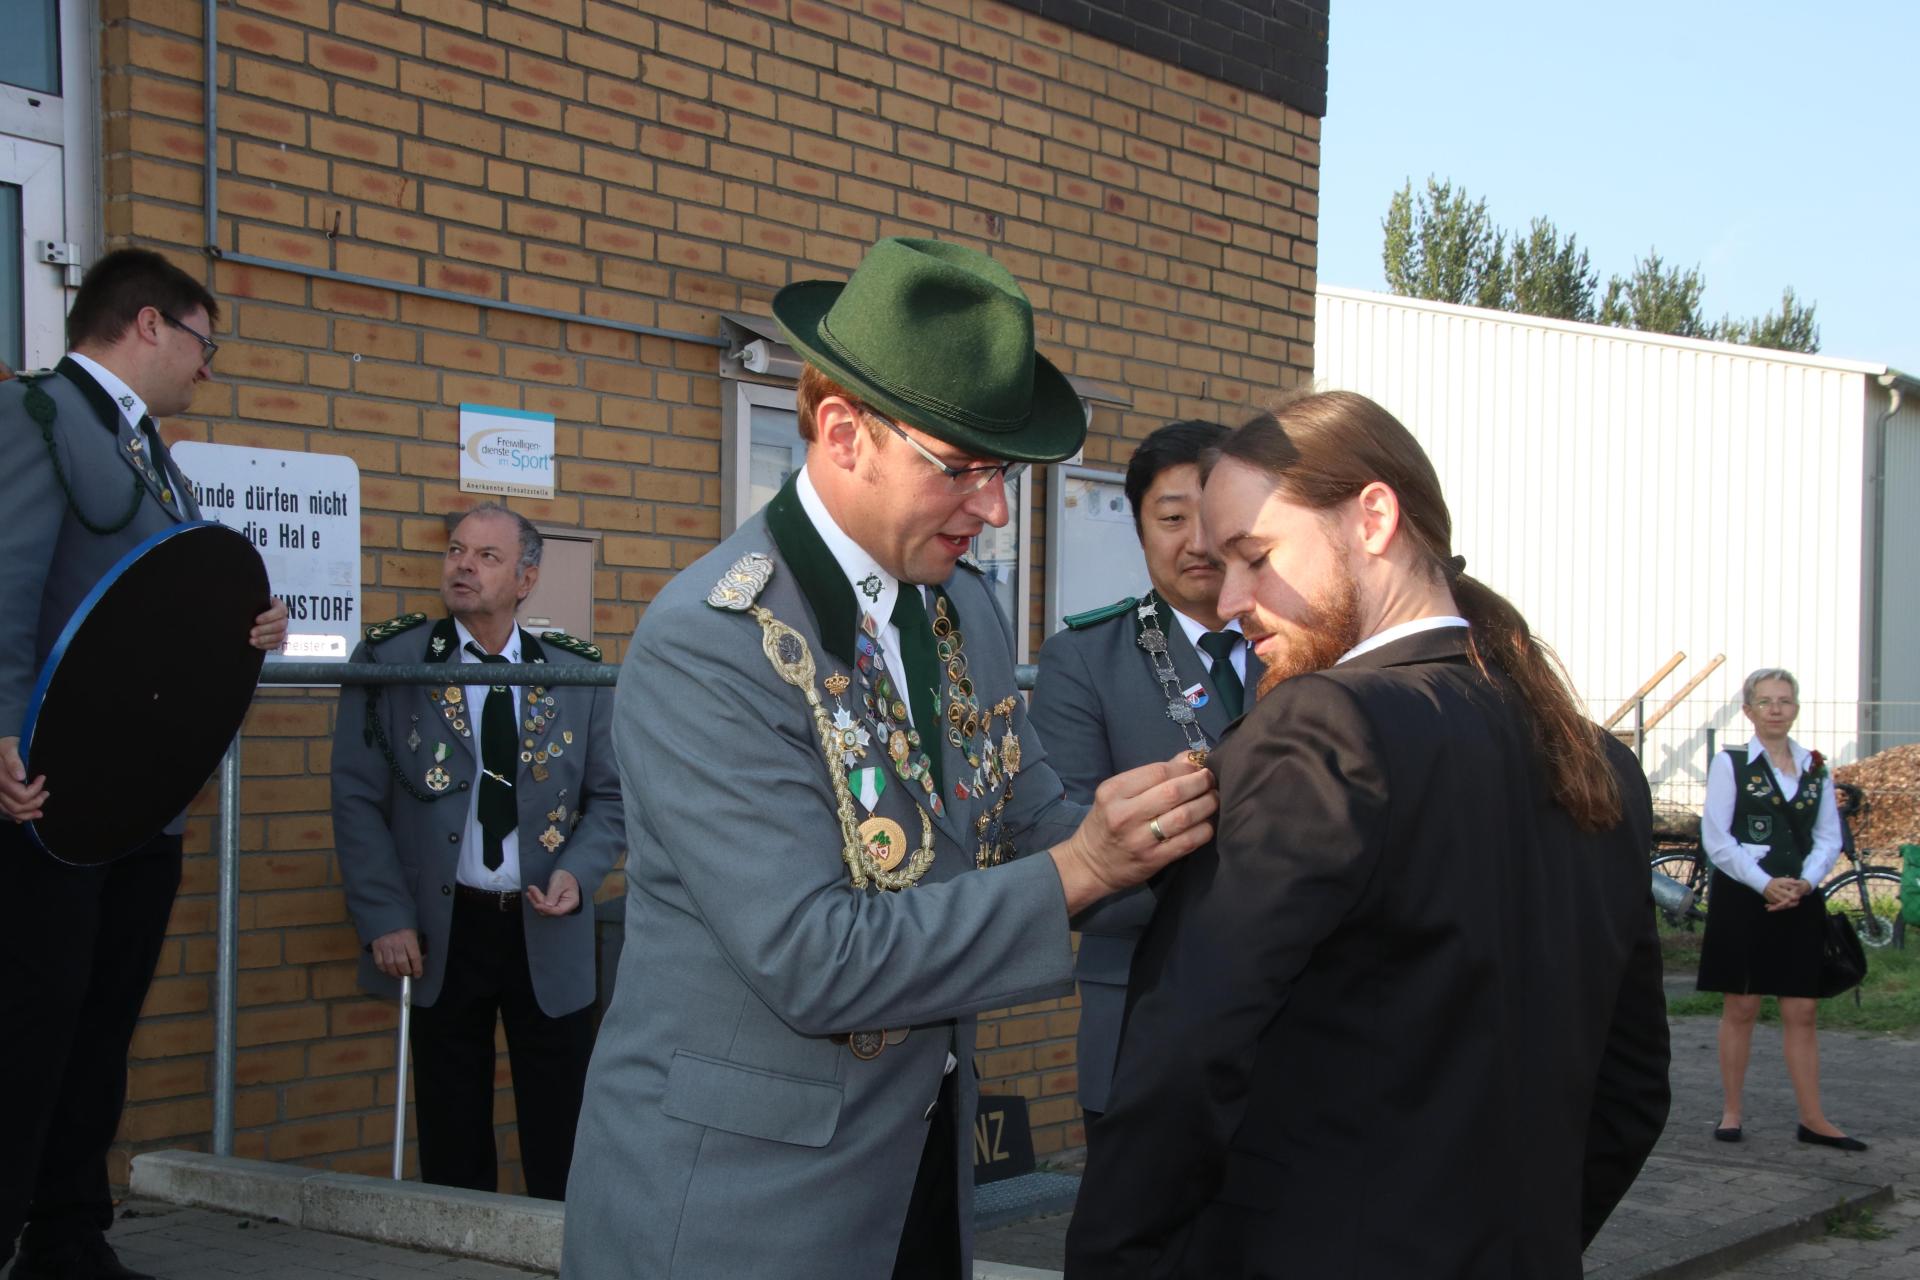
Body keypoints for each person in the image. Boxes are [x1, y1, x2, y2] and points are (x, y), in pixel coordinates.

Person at [561, 236, 1217, 1280]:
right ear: (840, 432)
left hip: (913, 1180)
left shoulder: (963, 607)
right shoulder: (712, 640)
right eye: (960, 469)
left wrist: (1217, 833)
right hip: (740, 1210)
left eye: (1001, 472)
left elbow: (1031, 818)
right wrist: (1084, 865)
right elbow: (815, 956)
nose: (996, 508)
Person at [1067, 392, 1671, 1278]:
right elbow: (1632, 1093)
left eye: (1256, 556)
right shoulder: (1598, 760)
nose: (1231, 598)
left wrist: (1117, 1260)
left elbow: (1188, 1058)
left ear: (1374, 518)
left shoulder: (1319, 729)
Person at [0, 249, 289, 1279]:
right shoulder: (40, 418)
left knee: (99, 1029)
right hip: (49, 797)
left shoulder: (148, 453)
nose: (206, 369)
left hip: (137, 806)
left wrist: (246, 622)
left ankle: (67, 1236)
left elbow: (152, 604)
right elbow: (8, 574)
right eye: (205, 344)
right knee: (30, 1031)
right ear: (152, 325)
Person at [331, 504, 624, 1198]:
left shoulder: (572, 674)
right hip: (441, 928)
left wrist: (579, 878)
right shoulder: (394, 661)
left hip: (545, 927)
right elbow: (356, 799)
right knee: (451, 1125)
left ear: (526, 579)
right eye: (457, 551)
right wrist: (384, 915)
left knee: (563, 1127)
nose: (463, 565)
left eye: (486, 557)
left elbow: (611, 800)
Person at [1030, 419, 1263, 1134]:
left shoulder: (1307, 645)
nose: (1197, 542)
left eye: (1216, 517)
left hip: (1296, 1032)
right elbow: (1067, 850)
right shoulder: (1088, 660)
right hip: (1141, 1017)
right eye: (1171, 518)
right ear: (1139, 530)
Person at [1696, 667, 1862, 1150]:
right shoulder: (1730, 764)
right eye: (1765, 701)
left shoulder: (1815, 767)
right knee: (1742, 1005)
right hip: (1744, 896)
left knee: (1803, 1009)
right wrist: (1766, 884)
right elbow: (1717, 838)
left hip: (1799, 898)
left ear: (1795, 708)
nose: (1775, 708)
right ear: (1748, 710)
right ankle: (1732, 1112)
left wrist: (1805, 882)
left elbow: (1829, 836)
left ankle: (1813, 1119)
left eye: (1784, 700)